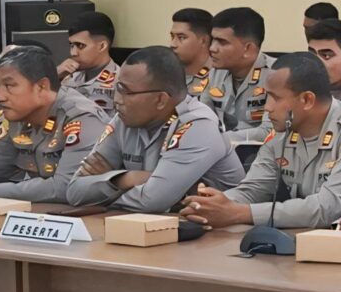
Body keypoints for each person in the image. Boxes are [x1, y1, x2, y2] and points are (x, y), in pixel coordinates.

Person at [185, 51, 341, 231]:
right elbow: (253, 190)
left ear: (307, 100)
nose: (267, 108)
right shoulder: (282, 132)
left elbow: (324, 209)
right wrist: (212, 205)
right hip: (311, 240)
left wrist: (239, 213)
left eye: (275, 98)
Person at [62, 45, 245, 212]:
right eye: (117, 88)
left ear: (160, 100)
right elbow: (74, 192)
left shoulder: (198, 125)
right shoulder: (124, 119)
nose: (117, 100)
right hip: (157, 225)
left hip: (218, 230)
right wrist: (127, 178)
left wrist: (104, 189)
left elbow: (151, 201)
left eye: (126, 91)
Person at [0, 43, 110, 202]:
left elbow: (66, 187)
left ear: (41, 86)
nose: (0, 96)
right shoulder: (17, 116)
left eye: (9, 86)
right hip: (44, 214)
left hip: (98, 216)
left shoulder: (81, 118)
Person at [205, 6, 275, 143]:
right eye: (213, 40)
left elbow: (269, 132)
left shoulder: (278, 74)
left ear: (248, 49)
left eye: (222, 42)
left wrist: (219, 140)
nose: (212, 48)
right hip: (220, 151)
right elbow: (201, 119)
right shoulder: (215, 74)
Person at [62, 11, 119, 114]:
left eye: (80, 46)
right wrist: (55, 76)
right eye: (71, 45)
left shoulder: (120, 82)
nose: (73, 53)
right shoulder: (68, 77)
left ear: (102, 46)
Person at [170, 8, 216, 105]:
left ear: (203, 41)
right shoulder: (166, 75)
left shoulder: (219, 78)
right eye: (172, 37)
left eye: (181, 37)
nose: (173, 44)